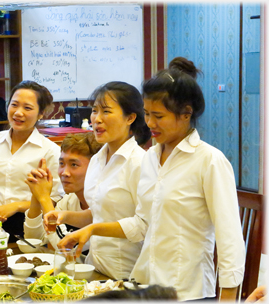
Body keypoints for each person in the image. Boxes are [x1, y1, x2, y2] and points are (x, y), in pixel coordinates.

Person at [59, 60, 245, 301]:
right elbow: (141, 224)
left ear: (186, 114)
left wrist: (229, 296)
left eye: (158, 116)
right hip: (147, 285)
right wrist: (91, 229)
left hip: (187, 290)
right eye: (147, 114)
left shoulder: (209, 161)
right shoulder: (151, 158)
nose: (150, 123)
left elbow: (229, 236)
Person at [45, 81, 151, 280]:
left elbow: (142, 225)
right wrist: (64, 216)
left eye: (106, 112)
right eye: (94, 111)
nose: (97, 119)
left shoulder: (140, 162)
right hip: (96, 268)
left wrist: (92, 229)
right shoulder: (97, 160)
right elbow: (100, 213)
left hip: (128, 274)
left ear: (130, 118)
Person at [0, 80, 64, 243]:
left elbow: (54, 199)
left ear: (40, 113)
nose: (18, 113)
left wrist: (15, 206)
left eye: (27, 108)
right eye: (14, 105)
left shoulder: (50, 150)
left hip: (32, 224)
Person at [23, 133, 102, 250]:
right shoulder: (69, 201)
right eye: (61, 164)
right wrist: (36, 194)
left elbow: (66, 248)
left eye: (74, 165)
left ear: (96, 167)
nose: (64, 172)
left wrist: (45, 198)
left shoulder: (104, 202)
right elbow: (35, 241)